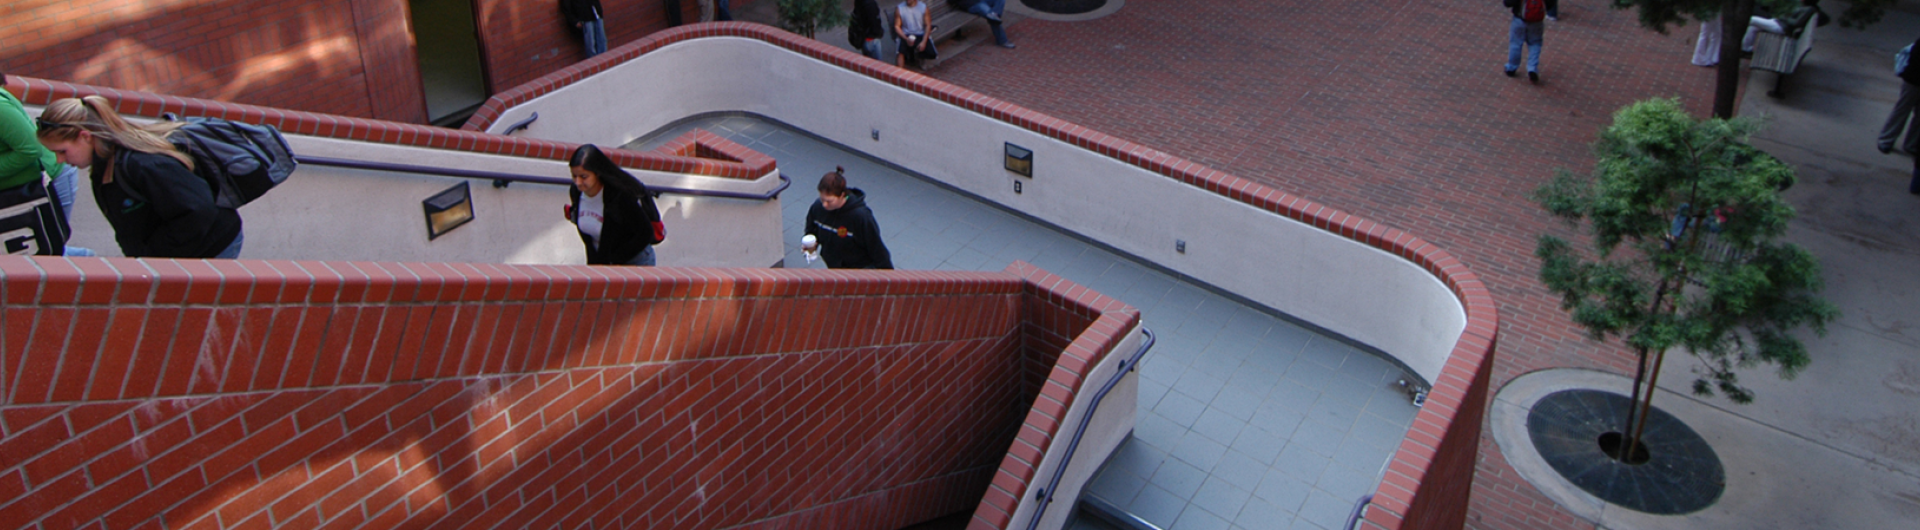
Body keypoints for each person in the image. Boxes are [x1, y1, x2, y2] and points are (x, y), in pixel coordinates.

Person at [36, 96, 243, 259]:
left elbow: (198, 210)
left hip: (212, 246)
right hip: (176, 252)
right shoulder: (104, 166)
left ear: (85, 137)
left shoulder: (143, 164)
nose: (58, 160)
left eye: (62, 151)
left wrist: (154, 257)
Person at [2, 72, 90, 256]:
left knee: (49, 249)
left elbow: (29, 149)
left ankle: (90, 265)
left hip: (49, 179)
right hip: (19, 187)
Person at [564, 144, 663, 266]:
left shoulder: (619, 195)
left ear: (597, 173)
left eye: (584, 177)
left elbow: (645, 232)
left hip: (635, 261)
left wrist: (615, 260)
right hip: (606, 263)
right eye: (574, 176)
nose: (578, 182)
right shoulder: (577, 193)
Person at [804, 167, 892, 269]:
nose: (824, 205)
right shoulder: (817, 208)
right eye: (822, 199)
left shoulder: (861, 217)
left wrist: (888, 277)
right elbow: (811, 230)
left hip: (860, 269)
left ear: (842, 195)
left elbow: (876, 248)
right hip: (834, 266)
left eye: (829, 201)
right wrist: (811, 242)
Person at [1878, 36, 1920, 155]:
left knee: (1905, 112)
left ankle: (1909, 144)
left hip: (1913, 79)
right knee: (1902, 110)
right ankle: (1887, 140)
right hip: (1914, 81)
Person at [1502, 0, 1557, 84]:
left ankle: (1512, 67)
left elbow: (1508, 3)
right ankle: (1532, 68)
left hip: (1519, 19)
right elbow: (1551, 3)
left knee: (1516, 43)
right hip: (1537, 21)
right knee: (1535, 43)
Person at [1742, 0, 1824, 53]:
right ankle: (1746, 48)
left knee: (1752, 20)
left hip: (1782, 27)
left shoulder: (1809, 9)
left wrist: (1784, 18)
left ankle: (1743, 47)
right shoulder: (1803, 7)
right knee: (1754, 26)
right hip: (1778, 22)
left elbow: (1796, 23)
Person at [894, 0, 937, 69]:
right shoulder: (900, 8)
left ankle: (921, 58)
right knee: (900, 52)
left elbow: (928, 25)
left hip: (920, 33)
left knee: (931, 53)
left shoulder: (923, 8)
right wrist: (906, 38)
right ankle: (899, 71)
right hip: (906, 34)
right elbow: (897, 26)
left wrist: (924, 42)